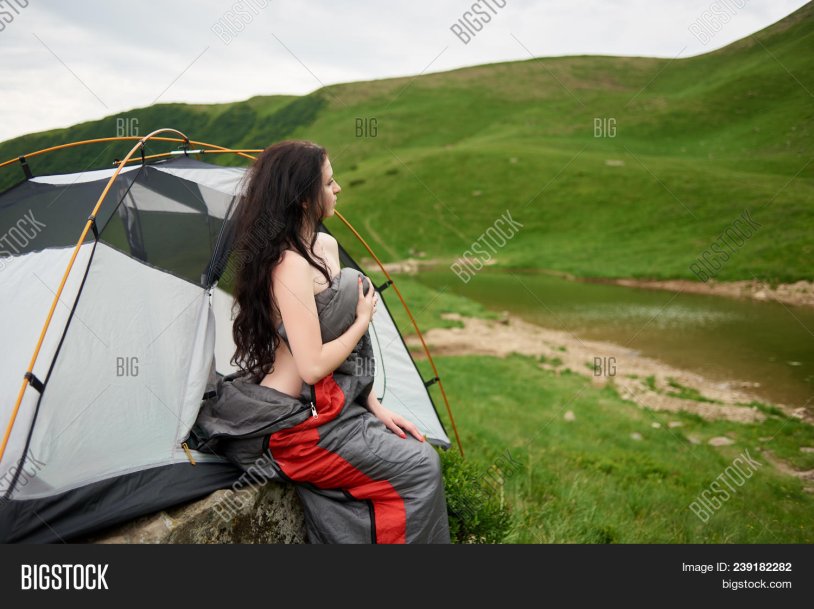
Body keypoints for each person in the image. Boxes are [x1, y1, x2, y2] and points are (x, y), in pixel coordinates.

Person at [227, 140, 450, 544]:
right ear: (303, 198)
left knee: (422, 457)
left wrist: (373, 404)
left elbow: (338, 351)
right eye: (329, 182)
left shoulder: (326, 247)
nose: (338, 188)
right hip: (290, 424)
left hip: (330, 406)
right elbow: (312, 366)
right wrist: (361, 322)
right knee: (420, 468)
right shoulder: (288, 265)